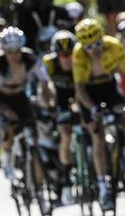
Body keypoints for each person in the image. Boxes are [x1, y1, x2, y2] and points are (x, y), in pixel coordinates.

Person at [72, 18, 125, 212]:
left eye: (97, 43)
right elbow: (79, 87)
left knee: (122, 114)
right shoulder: (78, 54)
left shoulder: (113, 46)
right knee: (97, 136)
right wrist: (92, 109)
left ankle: (120, 146)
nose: (94, 49)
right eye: (89, 46)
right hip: (88, 92)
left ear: (102, 38)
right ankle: (103, 185)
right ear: (82, 46)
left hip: (108, 85)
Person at [0, 26, 53, 180]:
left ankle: (37, 178)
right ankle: (7, 160)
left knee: (33, 133)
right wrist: (1, 112)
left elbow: (44, 80)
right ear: (3, 51)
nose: (14, 55)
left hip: (21, 97)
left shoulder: (29, 58)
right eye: (10, 52)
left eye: (17, 51)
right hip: (3, 99)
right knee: (9, 127)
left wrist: (48, 100)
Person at [42, 30, 77, 205]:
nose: (66, 58)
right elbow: (46, 85)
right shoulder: (49, 63)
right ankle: (66, 177)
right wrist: (49, 104)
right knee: (65, 134)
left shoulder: (79, 59)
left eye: (69, 54)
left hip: (78, 95)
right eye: (62, 55)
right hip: (60, 100)